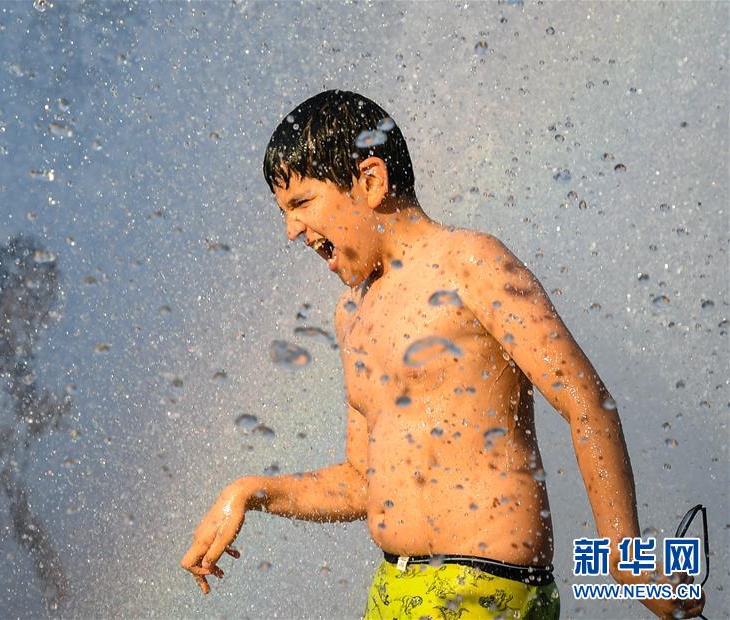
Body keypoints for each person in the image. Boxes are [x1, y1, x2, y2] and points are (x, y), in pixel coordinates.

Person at [181, 90, 705, 619]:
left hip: (487, 589)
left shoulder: (470, 263)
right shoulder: (352, 315)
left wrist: (624, 554)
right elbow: (363, 481)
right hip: (391, 591)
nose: (291, 231)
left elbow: (586, 401)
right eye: (284, 213)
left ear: (370, 181)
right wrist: (251, 491)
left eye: (300, 204)